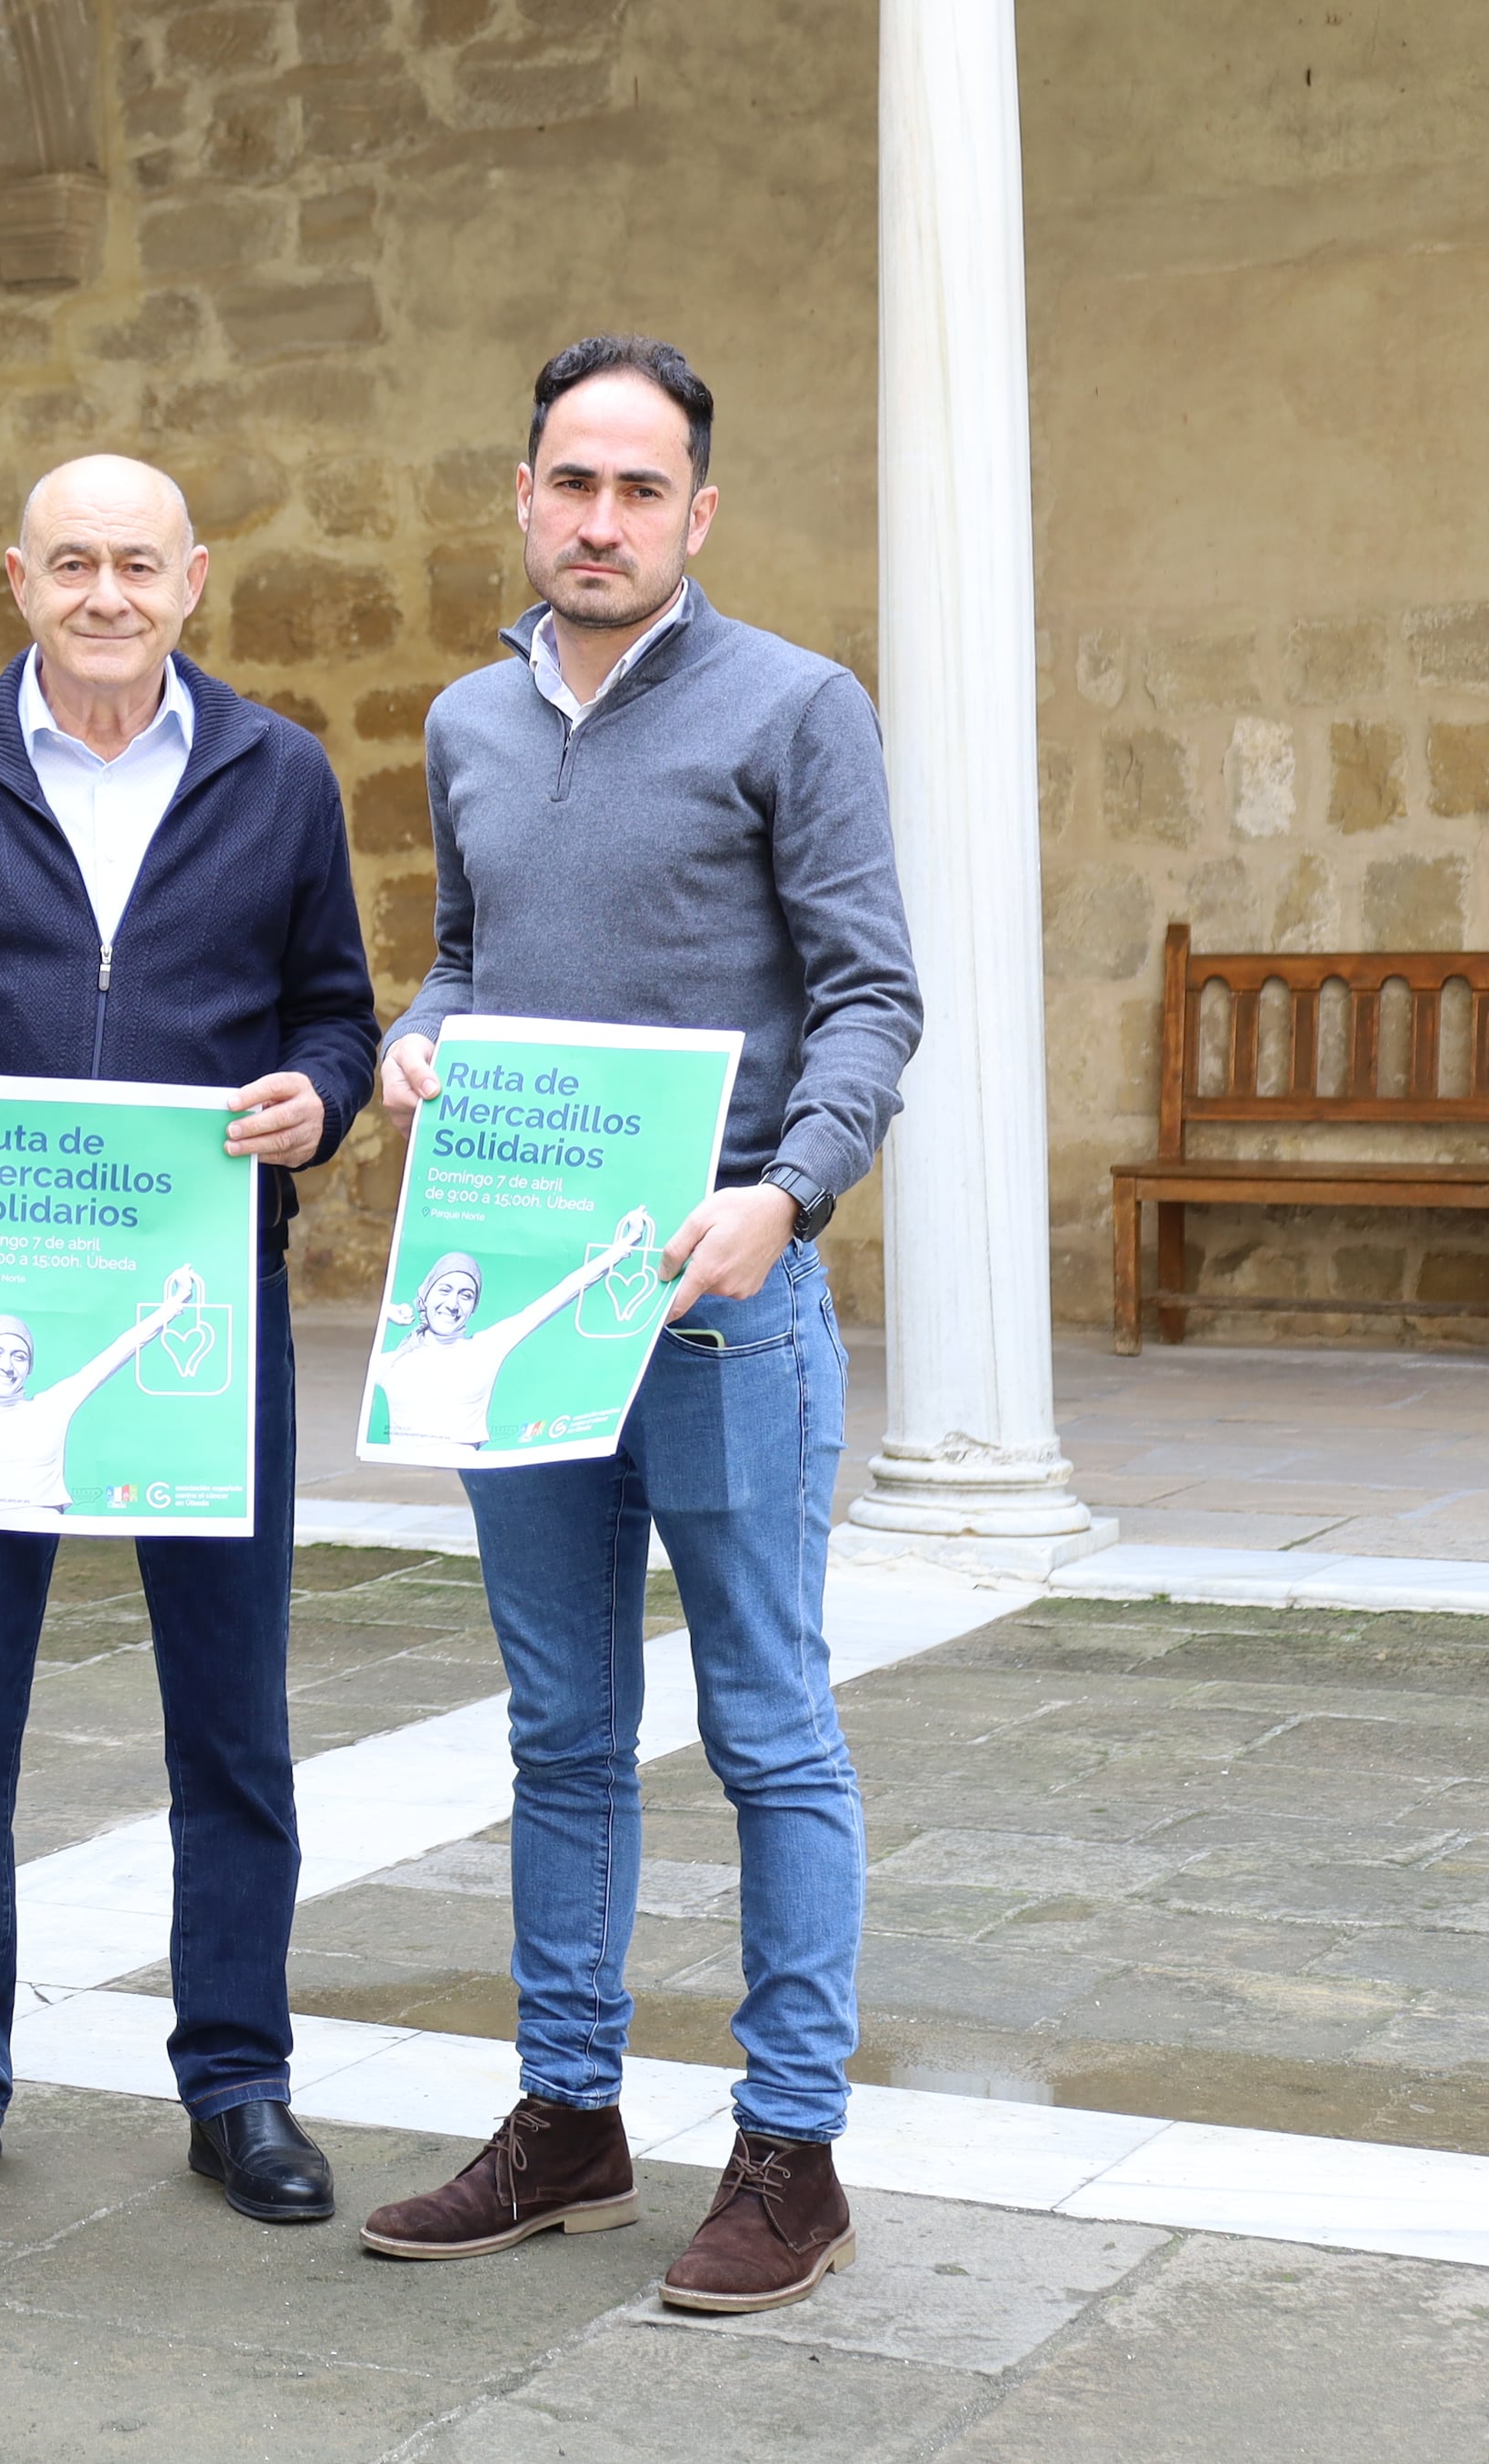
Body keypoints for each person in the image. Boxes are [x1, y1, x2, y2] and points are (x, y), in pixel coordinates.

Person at [353, 336, 921, 2318]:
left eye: (641, 487)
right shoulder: (464, 720)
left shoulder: (794, 705)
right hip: (521, 1309)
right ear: (523, 495)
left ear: (697, 512)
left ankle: (790, 2147)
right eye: (569, 482)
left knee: (767, 1726)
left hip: (720, 1309)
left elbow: (870, 995)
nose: (601, 518)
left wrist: (788, 1192)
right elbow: (456, 963)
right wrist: (416, 1047)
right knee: (561, 1727)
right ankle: (568, 2113)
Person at [0, 452, 376, 2226]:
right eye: (69, 562)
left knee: (229, 1717)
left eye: (135, 563)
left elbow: (332, 1015)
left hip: (196, 1299)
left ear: (194, 577)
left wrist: (321, 1094)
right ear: (14, 576)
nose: (103, 594)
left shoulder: (278, 774)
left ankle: (239, 2082)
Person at [362, 1211, 661, 1463]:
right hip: (402, 1476)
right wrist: (384, 1311)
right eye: (444, 1290)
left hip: (461, 1477)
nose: (452, 1304)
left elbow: (561, 1293)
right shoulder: (392, 1361)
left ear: (473, 1307)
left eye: (465, 1295)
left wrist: (625, 1245)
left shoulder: (485, 1347)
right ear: (424, 1296)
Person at [0, 1272, 201, 1525]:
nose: (7, 1366)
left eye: (19, 1356)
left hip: (37, 1541)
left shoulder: (51, 1407)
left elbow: (119, 1351)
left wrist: (175, 1303)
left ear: (29, 1367)